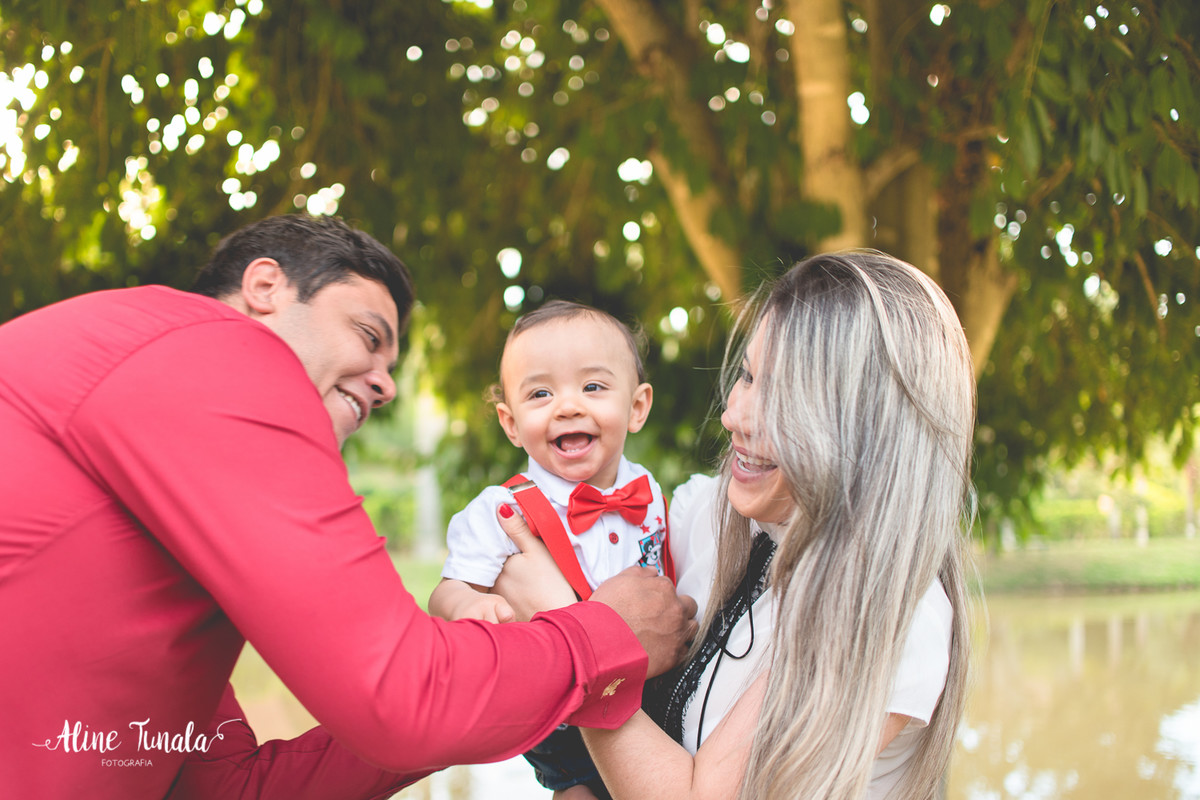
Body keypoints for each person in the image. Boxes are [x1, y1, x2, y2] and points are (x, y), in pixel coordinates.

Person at [0, 214, 696, 799]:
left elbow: (225, 789)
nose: (387, 385)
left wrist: (500, 688)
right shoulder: (210, 349)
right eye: (368, 336)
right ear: (266, 288)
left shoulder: (167, 504)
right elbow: (400, 699)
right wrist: (601, 637)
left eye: (392, 364)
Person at [495, 251, 977, 799]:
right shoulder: (706, 513)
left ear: (869, 426)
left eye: (786, 395)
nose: (734, 414)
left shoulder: (892, 611)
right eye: (748, 375)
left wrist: (574, 635)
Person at [429, 300, 672, 797]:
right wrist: (471, 604)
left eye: (593, 387)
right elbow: (445, 592)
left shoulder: (648, 490)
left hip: (648, 696)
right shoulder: (503, 509)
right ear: (511, 423)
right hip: (561, 710)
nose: (567, 406)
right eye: (540, 393)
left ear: (637, 407)